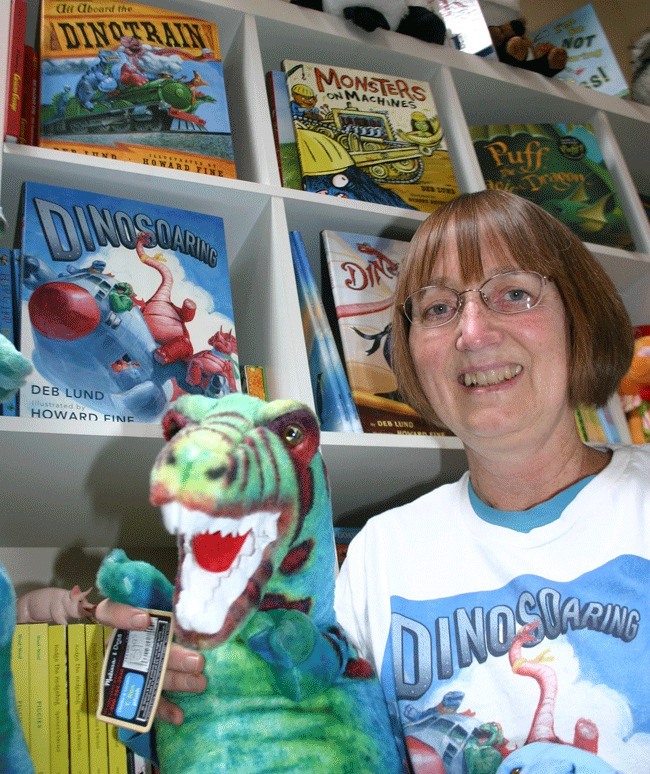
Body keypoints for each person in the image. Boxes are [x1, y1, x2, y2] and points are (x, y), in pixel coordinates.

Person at [96, 190, 649, 771]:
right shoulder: (378, 553)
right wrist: (157, 675)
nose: (473, 331)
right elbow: (307, 725)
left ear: (578, 316)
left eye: (514, 294)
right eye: (437, 308)